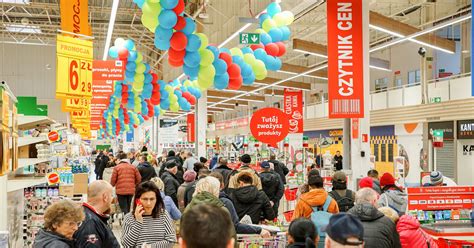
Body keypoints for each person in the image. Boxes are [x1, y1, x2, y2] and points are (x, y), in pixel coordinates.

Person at [209, 172, 271, 238]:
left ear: (241, 183)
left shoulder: (231, 195)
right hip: (254, 231)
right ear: (222, 185)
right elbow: (270, 215)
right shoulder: (261, 195)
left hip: (231, 235)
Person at [121, 181, 176, 247]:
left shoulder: (163, 214)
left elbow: (171, 240)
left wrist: (150, 246)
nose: (148, 203)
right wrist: (138, 223)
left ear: (156, 200)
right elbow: (126, 244)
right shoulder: (129, 218)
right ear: (137, 200)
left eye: (152, 199)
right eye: (145, 199)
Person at [74, 181, 120, 247]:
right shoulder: (90, 222)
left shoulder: (88, 215)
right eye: (111, 195)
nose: (112, 199)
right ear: (105, 197)